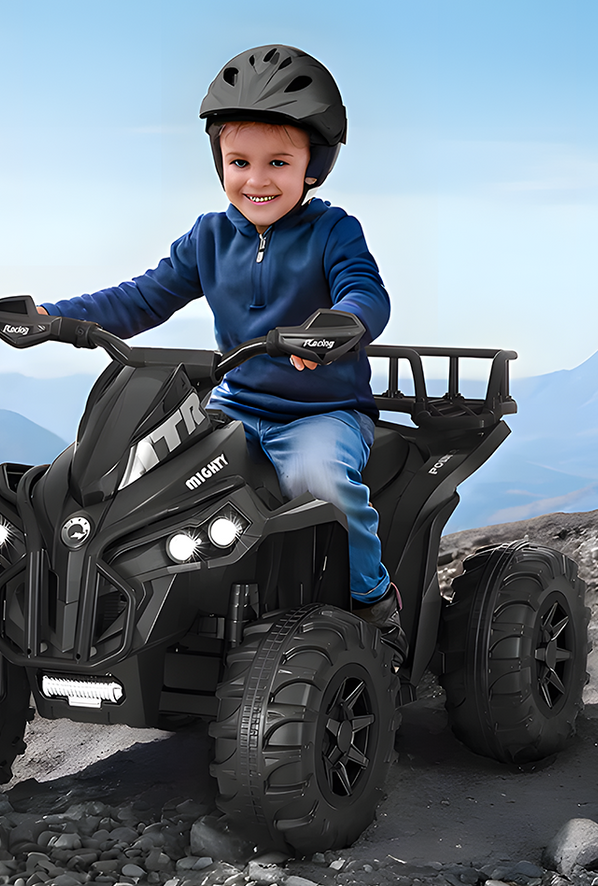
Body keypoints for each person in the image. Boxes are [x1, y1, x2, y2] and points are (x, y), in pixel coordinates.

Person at [36, 45, 406, 661]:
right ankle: (136, 614)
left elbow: (366, 290)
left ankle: (374, 601)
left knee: (324, 481)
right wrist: (58, 315)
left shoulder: (334, 230)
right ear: (219, 162)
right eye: (240, 161)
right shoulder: (209, 236)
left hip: (319, 413)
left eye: (278, 162)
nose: (257, 180)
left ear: (314, 165)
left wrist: (343, 323)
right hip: (228, 406)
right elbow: (144, 297)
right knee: (126, 477)